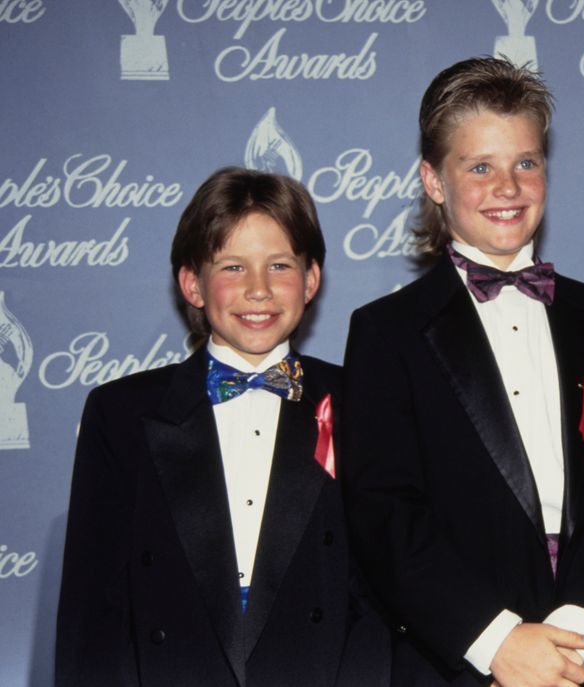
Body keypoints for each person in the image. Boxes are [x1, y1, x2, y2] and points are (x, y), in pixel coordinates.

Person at [342, 56, 584, 687]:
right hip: (460, 663)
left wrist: (574, 643)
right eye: (479, 166)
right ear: (434, 181)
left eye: (525, 162)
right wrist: (499, 645)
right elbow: (384, 513)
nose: (508, 186)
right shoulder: (387, 333)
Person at [55, 167, 387, 687]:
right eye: (233, 266)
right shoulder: (121, 414)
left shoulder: (362, 403)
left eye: (279, 265)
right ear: (193, 283)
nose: (258, 290)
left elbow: (382, 600)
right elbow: (93, 614)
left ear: (311, 279)